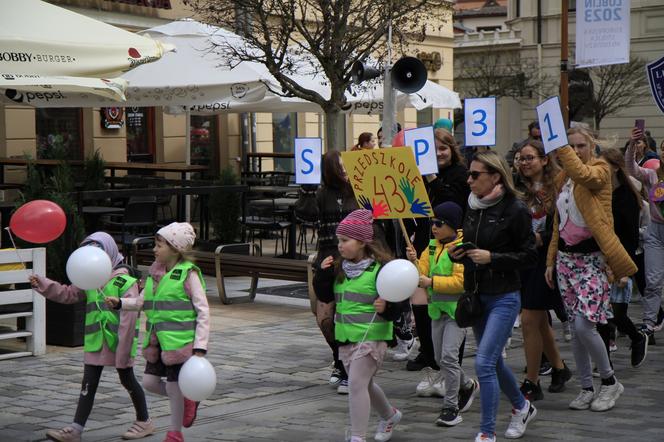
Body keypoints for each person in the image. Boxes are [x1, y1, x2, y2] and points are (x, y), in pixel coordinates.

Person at [545, 127, 636, 413]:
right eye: (570, 145)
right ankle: (586, 387)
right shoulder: (563, 178)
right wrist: (550, 261)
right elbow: (557, 227)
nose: (575, 150)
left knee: (586, 325)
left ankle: (609, 382)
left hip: (593, 261)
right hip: (565, 261)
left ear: (592, 146)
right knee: (575, 327)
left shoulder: (599, 170)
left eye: (580, 145)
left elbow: (584, 175)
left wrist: (561, 147)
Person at [448, 151, 538, 442]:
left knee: (484, 363)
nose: (469, 180)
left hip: (504, 296)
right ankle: (522, 407)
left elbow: (528, 256)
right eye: (469, 175)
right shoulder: (472, 205)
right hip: (476, 295)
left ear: (496, 176)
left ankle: (487, 432)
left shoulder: (515, 209)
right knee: (493, 363)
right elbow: (473, 245)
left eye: (476, 175)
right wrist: (458, 253)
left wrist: (493, 257)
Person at [29, 232, 153, 442]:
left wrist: (124, 349)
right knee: (89, 383)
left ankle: (144, 421)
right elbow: (68, 293)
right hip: (96, 342)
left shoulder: (126, 281)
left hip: (118, 344)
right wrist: (42, 283)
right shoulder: (89, 279)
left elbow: (129, 319)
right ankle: (76, 430)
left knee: (128, 379)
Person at [107, 222, 210, 442]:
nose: (154, 249)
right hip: (157, 342)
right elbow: (142, 302)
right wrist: (120, 303)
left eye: (159, 244)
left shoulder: (188, 275)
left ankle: (175, 434)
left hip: (181, 344)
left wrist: (200, 346)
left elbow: (203, 311)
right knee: (149, 383)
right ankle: (187, 397)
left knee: (173, 386)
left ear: (175, 248)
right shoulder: (154, 274)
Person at [313, 209, 403, 442]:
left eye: (345, 240)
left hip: (372, 337)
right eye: (339, 240)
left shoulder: (381, 268)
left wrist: (388, 307)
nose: (340, 245)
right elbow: (325, 296)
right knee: (365, 384)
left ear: (362, 242)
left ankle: (357, 437)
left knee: (355, 384)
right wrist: (321, 274)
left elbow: (399, 301)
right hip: (346, 337)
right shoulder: (338, 268)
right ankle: (389, 415)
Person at [406, 202, 479, 428]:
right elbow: (422, 274)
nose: (434, 227)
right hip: (437, 311)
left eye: (439, 223)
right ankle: (467, 384)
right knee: (438, 359)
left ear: (452, 226)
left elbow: (460, 281)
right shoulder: (431, 246)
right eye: (432, 222)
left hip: (457, 312)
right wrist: (413, 261)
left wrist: (431, 282)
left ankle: (451, 407)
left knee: (448, 357)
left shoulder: (460, 247)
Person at [406, 128, 470, 377]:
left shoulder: (460, 174)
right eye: (433, 149)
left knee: (451, 300)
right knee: (420, 296)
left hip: (453, 237)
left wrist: (431, 176)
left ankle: (451, 361)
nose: (438, 154)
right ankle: (428, 350)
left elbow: (452, 204)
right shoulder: (419, 175)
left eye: (442, 148)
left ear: (451, 149)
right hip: (427, 235)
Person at [515, 140, 572, 402]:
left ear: (544, 160)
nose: (524, 163)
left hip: (545, 259)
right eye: (520, 159)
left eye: (529, 158)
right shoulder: (517, 188)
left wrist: (543, 237)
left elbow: (564, 223)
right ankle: (559, 368)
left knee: (529, 319)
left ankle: (532, 381)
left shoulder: (557, 187)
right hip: (523, 259)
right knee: (538, 320)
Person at [596, 148, 649, 368]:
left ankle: (637, 337)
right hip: (600, 259)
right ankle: (604, 363)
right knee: (601, 316)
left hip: (620, 259)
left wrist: (622, 269)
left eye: (603, 165)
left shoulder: (626, 196)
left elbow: (630, 236)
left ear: (616, 167)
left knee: (617, 315)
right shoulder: (600, 192)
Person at [314, 150, 359, 393]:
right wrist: (305, 190)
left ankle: (346, 366)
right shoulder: (321, 194)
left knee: (345, 314)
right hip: (327, 257)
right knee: (325, 317)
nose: (344, 170)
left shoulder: (356, 191)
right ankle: (339, 357)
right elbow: (305, 215)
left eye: (346, 165)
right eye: (339, 166)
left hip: (352, 259)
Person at [625, 127, 664, 342]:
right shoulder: (652, 174)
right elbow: (631, 169)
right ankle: (650, 322)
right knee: (652, 280)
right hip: (656, 233)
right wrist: (632, 145)